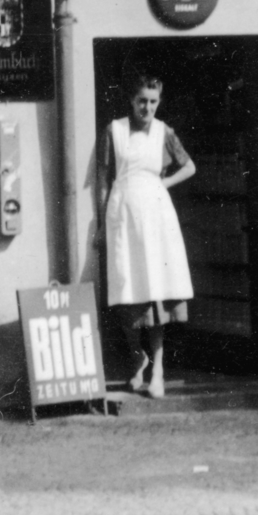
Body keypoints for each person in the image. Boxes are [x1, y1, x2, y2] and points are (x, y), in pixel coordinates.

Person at [97, 74, 196, 399]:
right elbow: (102, 181)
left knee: (155, 289)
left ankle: (158, 370)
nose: (148, 107)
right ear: (131, 100)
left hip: (155, 217)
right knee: (126, 288)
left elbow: (189, 166)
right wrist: (100, 224)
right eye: (142, 101)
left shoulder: (164, 132)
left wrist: (159, 185)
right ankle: (136, 356)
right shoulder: (114, 131)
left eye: (153, 101)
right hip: (122, 216)